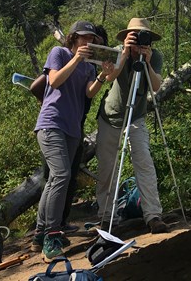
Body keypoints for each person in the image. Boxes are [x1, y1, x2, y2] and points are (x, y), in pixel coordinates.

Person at [33, 20, 115, 262]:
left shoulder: (89, 66)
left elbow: (89, 92)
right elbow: (55, 81)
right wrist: (77, 59)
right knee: (60, 176)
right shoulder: (59, 53)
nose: (88, 42)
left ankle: (40, 232)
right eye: (84, 38)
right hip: (51, 124)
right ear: (73, 38)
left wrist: (102, 75)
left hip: (72, 129)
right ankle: (52, 236)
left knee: (55, 180)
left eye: (92, 39)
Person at [95, 17, 169, 234]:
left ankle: (153, 215)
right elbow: (109, 78)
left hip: (136, 117)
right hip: (111, 117)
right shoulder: (118, 51)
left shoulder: (154, 57)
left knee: (144, 162)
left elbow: (156, 87)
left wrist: (146, 62)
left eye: (143, 37)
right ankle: (106, 217)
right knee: (107, 168)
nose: (139, 41)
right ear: (127, 37)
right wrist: (125, 54)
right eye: (135, 36)